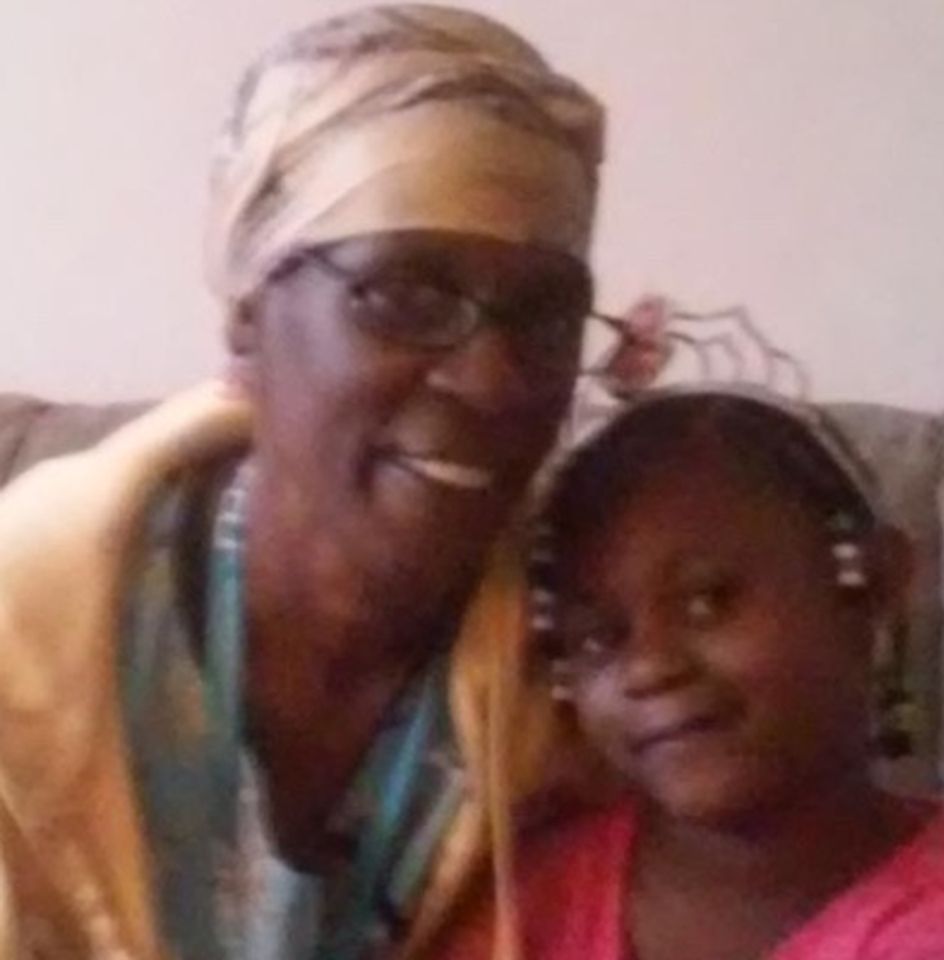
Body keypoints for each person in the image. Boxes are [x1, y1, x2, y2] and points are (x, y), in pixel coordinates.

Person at [0, 6, 603, 958]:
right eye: (405, 294)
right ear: (249, 314)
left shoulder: (588, 659)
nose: (492, 380)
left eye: (545, 315)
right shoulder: (28, 626)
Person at [437, 388, 944, 960]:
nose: (649, 669)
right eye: (599, 638)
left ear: (872, 584)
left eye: (707, 601)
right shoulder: (525, 902)